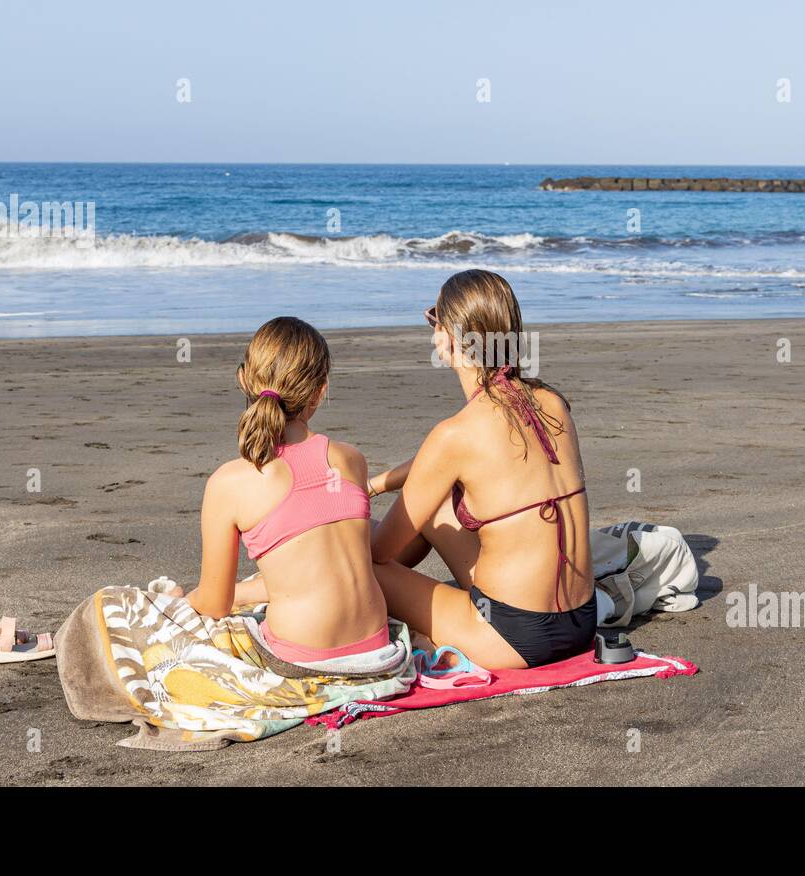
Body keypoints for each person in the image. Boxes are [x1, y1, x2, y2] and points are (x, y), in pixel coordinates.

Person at [367, 269, 595, 669]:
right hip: (581, 622)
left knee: (360, 568)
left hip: (514, 637)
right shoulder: (552, 403)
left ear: (452, 336)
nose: (431, 329)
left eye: (434, 317)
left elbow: (380, 550)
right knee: (435, 506)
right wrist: (376, 484)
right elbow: (440, 467)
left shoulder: (455, 436)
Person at [179, 316, 390, 664]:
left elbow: (214, 605)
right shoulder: (351, 459)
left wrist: (183, 601)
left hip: (301, 656)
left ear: (242, 378)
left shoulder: (228, 483)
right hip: (376, 645)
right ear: (321, 391)